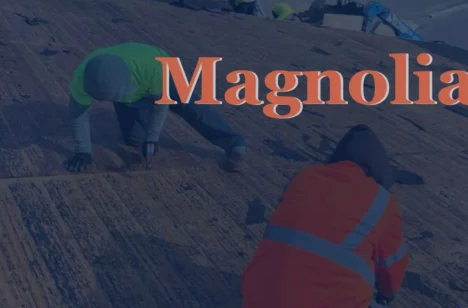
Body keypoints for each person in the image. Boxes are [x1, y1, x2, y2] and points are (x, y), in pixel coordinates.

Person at [241, 125, 408, 308]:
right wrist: (386, 296)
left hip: (256, 299)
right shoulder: (382, 201)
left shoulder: (305, 177)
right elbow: (392, 272)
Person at [64, 43, 247, 173]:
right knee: (134, 139)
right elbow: (78, 115)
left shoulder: (153, 71)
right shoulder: (83, 78)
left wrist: (153, 139)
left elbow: (161, 105)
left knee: (193, 109)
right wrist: (83, 152)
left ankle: (234, 143)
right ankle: (138, 114)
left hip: (162, 69)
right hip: (133, 87)